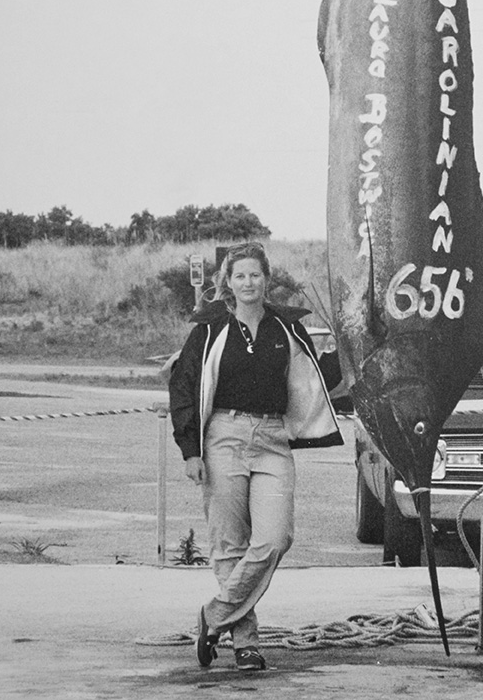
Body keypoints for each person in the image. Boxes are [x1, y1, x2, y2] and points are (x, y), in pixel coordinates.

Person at [168, 242, 343, 672]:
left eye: (255, 275)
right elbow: (183, 388)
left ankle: (214, 616)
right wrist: (191, 450)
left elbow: (321, 379)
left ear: (267, 279)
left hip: (272, 437)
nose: (248, 283)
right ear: (227, 282)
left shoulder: (287, 328)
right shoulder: (209, 331)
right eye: (240, 275)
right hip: (223, 435)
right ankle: (245, 643)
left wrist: (346, 347)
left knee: (275, 538)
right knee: (229, 545)